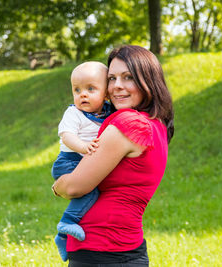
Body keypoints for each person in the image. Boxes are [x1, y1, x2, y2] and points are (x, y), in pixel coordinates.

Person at [51, 45, 174, 266]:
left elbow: (73, 187)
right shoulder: (156, 124)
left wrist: (58, 186)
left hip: (103, 251)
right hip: (122, 247)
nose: (117, 86)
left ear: (149, 81)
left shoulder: (130, 123)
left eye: (128, 78)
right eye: (111, 78)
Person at [51, 61, 111, 262]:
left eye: (90, 89)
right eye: (77, 90)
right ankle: (67, 222)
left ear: (106, 93)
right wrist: (83, 146)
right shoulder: (73, 113)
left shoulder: (108, 112)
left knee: (95, 193)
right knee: (90, 190)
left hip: (83, 159)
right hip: (69, 160)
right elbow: (67, 136)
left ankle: (62, 238)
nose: (82, 94)